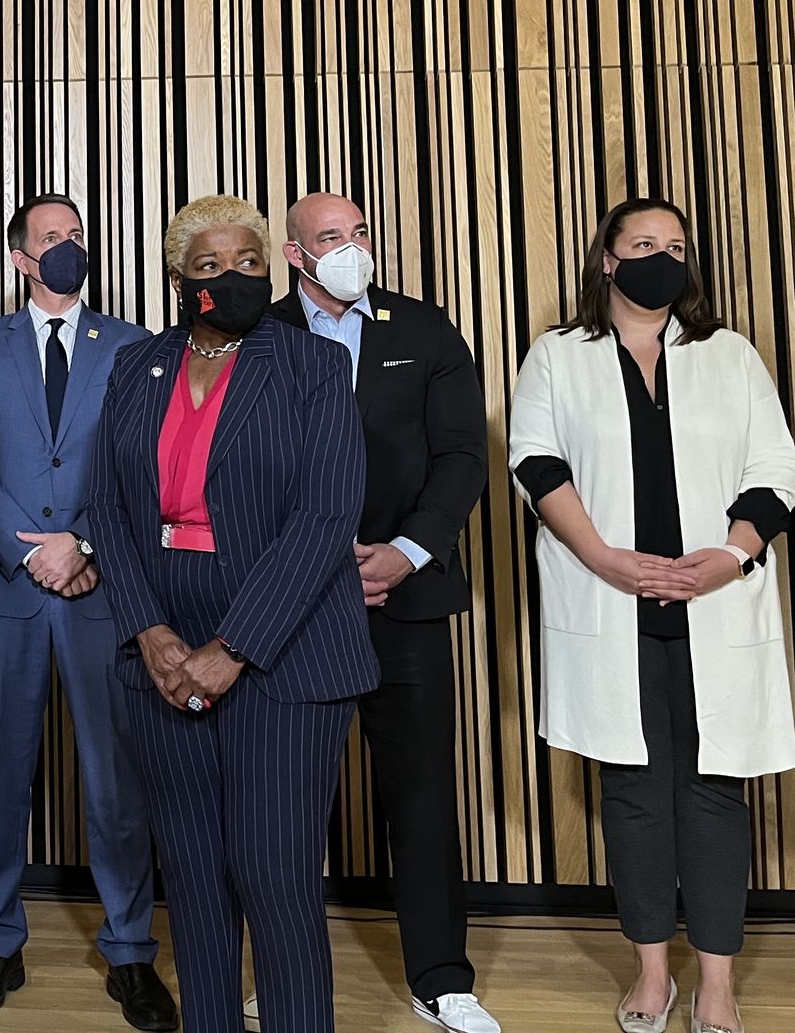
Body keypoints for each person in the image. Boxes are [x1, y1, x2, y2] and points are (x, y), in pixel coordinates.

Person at [89, 195, 377, 1033]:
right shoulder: (135, 366)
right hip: (163, 647)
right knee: (196, 876)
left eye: (248, 262)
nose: (232, 278)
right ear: (180, 279)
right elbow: (107, 506)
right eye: (210, 267)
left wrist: (233, 648)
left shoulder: (312, 367)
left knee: (273, 877)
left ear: (272, 266)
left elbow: (327, 516)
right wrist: (150, 633)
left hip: (284, 652)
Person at [507, 197, 795, 1033]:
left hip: (715, 602)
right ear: (607, 259)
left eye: (674, 245)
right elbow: (535, 458)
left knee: (713, 790)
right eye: (642, 244)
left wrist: (733, 553)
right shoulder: (560, 354)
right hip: (611, 602)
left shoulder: (730, 354)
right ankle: (650, 974)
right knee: (632, 791)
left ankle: (716, 983)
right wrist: (601, 556)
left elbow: (775, 462)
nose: (660, 257)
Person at [0, 193, 175, 1031]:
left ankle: (131, 955)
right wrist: (28, 546)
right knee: (1, 778)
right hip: (9, 591)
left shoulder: (137, 347)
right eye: (52, 238)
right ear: (21, 259)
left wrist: (82, 544)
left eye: (76, 235)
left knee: (115, 786)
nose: (68, 246)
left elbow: (145, 463)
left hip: (104, 593)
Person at [264, 194, 499, 1033]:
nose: (351, 247)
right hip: (292, 608)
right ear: (295, 255)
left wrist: (406, 551)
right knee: (288, 803)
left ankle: (442, 977)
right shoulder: (264, 337)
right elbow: (243, 472)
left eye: (359, 233)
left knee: (424, 793)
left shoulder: (425, 330)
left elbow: (463, 456)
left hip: (406, 598)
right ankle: (286, 974)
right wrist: (321, 568)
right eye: (331, 237)